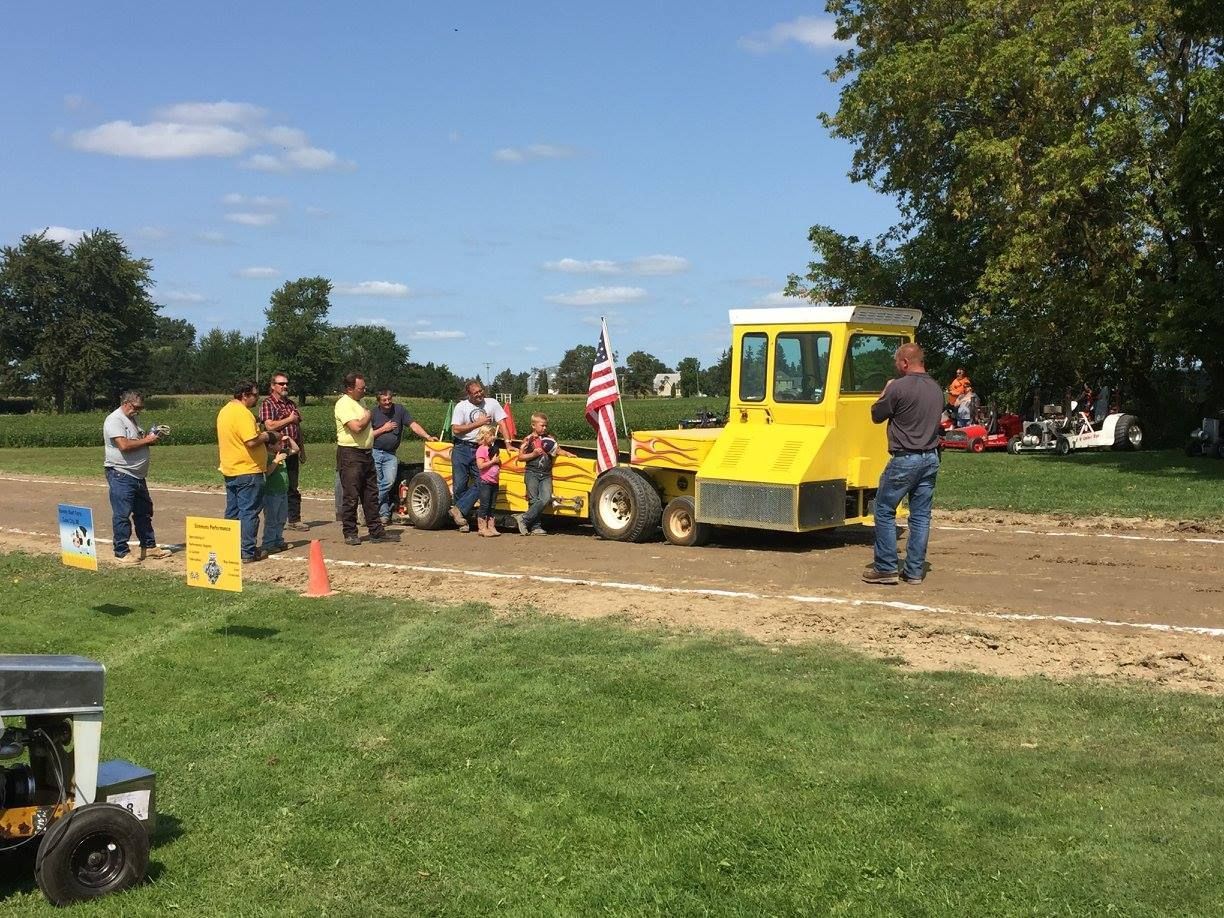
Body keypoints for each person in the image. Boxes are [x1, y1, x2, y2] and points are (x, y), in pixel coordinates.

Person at [864, 343, 944, 586]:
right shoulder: (936, 388)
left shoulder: (897, 387)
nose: (896, 367)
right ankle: (914, 571)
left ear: (905, 362)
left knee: (884, 510)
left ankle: (886, 567)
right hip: (930, 457)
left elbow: (876, 415)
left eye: (897, 363)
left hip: (905, 458)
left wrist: (885, 390)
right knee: (920, 515)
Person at [103, 390, 171, 564]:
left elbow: (136, 440)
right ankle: (121, 552)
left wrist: (151, 436)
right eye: (137, 407)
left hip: (138, 476)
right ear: (127, 403)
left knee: (144, 512)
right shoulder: (114, 420)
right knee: (122, 514)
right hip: (121, 474)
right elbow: (124, 445)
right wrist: (147, 440)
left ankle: (148, 546)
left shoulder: (132, 419)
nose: (139, 411)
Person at [217, 381, 277, 562]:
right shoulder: (243, 413)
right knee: (249, 512)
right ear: (245, 394)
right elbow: (251, 441)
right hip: (248, 470)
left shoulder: (225, 411)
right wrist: (268, 435)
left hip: (231, 469)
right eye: (255, 395)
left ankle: (230, 548)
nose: (257, 399)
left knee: (233, 512)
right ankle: (247, 552)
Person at [448, 381, 512, 532]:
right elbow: (456, 429)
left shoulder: (492, 403)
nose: (479, 394)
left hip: (482, 449)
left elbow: (502, 423)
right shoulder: (461, 407)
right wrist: (478, 423)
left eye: (481, 391)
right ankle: (463, 521)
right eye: (475, 392)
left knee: (482, 483)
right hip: (462, 447)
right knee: (460, 485)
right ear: (468, 394)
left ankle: (458, 510)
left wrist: (508, 443)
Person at [335, 372, 386, 546]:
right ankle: (350, 532)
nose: (364, 390)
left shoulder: (360, 402)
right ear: (350, 389)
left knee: (371, 494)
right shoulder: (343, 404)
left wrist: (365, 415)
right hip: (350, 453)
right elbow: (356, 427)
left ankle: (376, 531)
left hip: (366, 453)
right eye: (361, 388)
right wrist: (368, 416)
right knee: (351, 495)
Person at [370, 388, 431, 525]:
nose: (387, 402)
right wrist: (383, 429)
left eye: (389, 399)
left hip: (391, 454)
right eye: (384, 400)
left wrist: (427, 436)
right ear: (378, 401)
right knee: (379, 483)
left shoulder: (399, 410)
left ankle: (369, 506)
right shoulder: (373, 414)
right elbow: (367, 436)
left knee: (389, 482)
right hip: (374, 452)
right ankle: (384, 514)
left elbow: (413, 425)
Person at [258, 371, 309, 531]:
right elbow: (269, 426)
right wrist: (288, 419)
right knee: (276, 482)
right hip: (275, 450)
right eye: (281, 384)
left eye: (286, 383)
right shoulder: (268, 404)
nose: (285, 386)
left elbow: (297, 426)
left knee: (292, 485)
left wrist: (301, 449)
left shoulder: (291, 404)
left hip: (292, 450)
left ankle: (294, 519)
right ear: (273, 386)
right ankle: (274, 517)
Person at [512, 412, 575, 536]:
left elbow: (557, 450)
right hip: (532, 472)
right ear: (533, 425)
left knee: (545, 498)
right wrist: (533, 454)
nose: (545, 428)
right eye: (542, 425)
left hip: (546, 473)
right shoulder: (528, 439)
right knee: (533, 499)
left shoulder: (550, 438)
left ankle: (523, 518)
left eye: (546, 425)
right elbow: (520, 457)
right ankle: (536, 526)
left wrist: (567, 454)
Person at [261, 436, 298, 554]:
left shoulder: (281, 453)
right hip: (271, 493)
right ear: (270, 445)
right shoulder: (267, 456)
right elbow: (267, 472)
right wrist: (276, 461)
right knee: (272, 519)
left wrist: (289, 439)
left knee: (281, 518)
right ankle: (268, 543)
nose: (281, 446)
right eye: (278, 444)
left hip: (282, 492)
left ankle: (278, 540)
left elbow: (296, 450)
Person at [474, 424, 502, 537]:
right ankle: (482, 527)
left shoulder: (492, 449)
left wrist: (498, 462)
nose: (493, 437)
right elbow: (480, 466)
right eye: (490, 435)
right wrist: (493, 461)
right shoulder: (481, 450)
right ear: (484, 436)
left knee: (492, 505)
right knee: (485, 505)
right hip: (485, 482)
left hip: (494, 481)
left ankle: (491, 526)